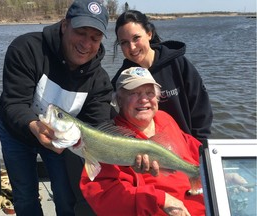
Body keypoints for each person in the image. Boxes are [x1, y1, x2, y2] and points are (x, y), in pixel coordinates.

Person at [0, 0, 112, 215]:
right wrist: (33, 126)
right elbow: (13, 102)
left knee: (65, 194)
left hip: (62, 141)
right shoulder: (26, 49)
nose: (86, 44)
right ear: (64, 25)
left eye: (95, 38)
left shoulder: (99, 81)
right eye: (81, 32)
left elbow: (97, 127)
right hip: (16, 132)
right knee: (25, 195)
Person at [80, 67, 205, 215]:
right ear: (119, 99)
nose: (144, 99)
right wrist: (160, 199)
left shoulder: (165, 118)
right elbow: (102, 195)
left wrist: (221, 169)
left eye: (149, 93)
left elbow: (194, 148)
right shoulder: (111, 140)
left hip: (204, 202)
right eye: (134, 93)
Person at [111, 10, 213, 143]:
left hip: (186, 148)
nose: (132, 47)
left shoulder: (177, 63)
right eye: (124, 42)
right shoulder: (121, 79)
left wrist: (199, 143)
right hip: (147, 154)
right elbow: (113, 119)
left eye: (136, 38)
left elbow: (201, 105)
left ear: (149, 34)